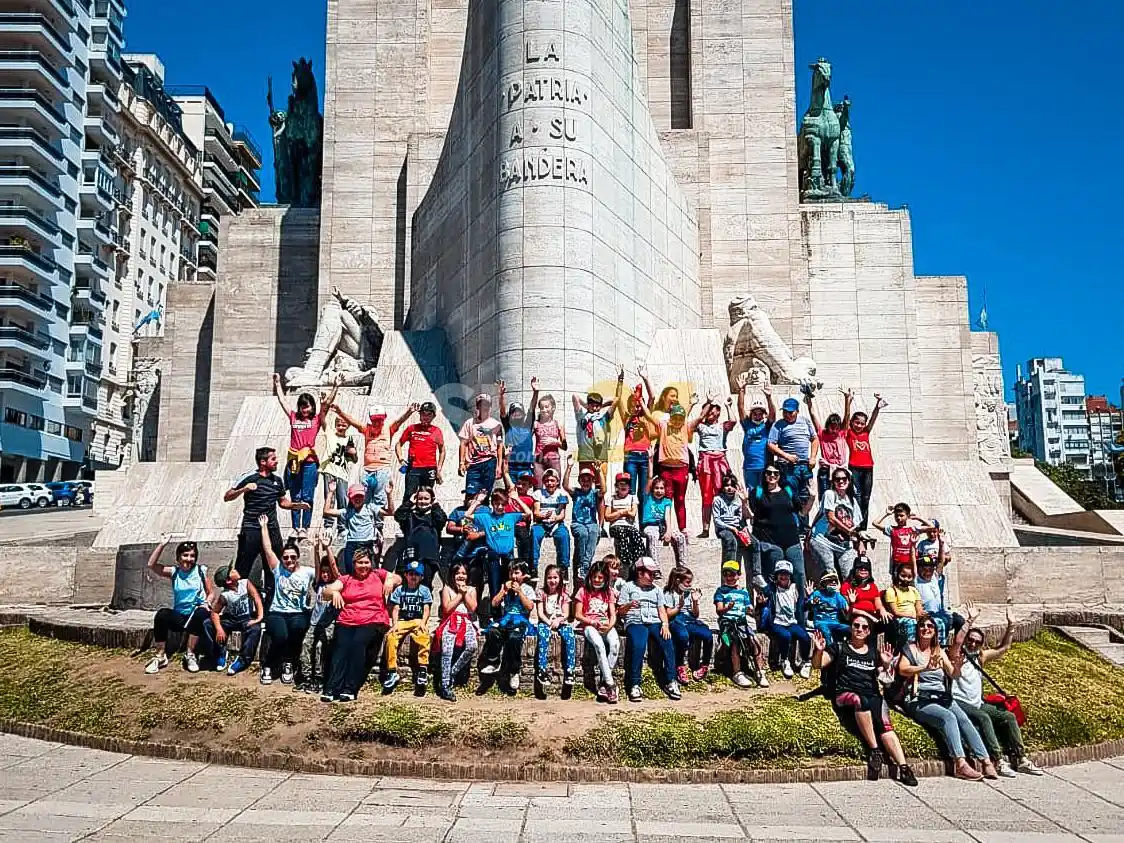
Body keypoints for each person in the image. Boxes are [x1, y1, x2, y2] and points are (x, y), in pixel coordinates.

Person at [811, 620, 918, 785]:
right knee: (859, 700)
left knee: (885, 724)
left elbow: (885, 680)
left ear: (869, 632)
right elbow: (818, 664)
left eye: (864, 627)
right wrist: (818, 651)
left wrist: (887, 664)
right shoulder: (839, 648)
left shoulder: (874, 653)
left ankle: (904, 768)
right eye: (856, 626)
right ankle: (875, 751)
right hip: (845, 694)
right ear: (851, 628)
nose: (860, 629)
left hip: (872, 694)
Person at [898, 617, 993, 780]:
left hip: (942, 697)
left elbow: (953, 674)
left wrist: (957, 667)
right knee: (948, 717)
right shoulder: (911, 649)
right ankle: (960, 764)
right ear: (918, 629)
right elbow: (902, 669)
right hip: (919, 699)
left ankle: (986, 761)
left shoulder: (939, 651)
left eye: (930, 626)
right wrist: (924, 667)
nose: (926, 628)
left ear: (935, 631)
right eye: (922, 626)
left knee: (963, 718)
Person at [954, 606, 1043, 777]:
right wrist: (969, 621)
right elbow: (957, 642)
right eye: (970, 640)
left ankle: (1020, 758)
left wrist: (1011, 626)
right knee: (984, 718)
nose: (972, 643)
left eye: (977, 642)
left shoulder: (980, 657)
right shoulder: (957, 654)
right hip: (960, 702)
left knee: (1008, 716)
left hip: (977, 702)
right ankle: (998, 760)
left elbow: (1003, 648)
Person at [223, 446, 309, 606]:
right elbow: (227, 497)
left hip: (272, 530)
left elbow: (283, 502)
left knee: (274, 567)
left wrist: (297, 505)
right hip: (251, 529)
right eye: (273, 459)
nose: (276, 462)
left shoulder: (277, 481)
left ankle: (272, 605)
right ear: (263, 462)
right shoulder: (249, 477)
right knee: (243, 568)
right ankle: (237, 605)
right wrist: (243, 489)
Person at [271, 373, 339, 537]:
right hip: (294, 461)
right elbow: (282, 401)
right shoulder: (294, 416)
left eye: (307, 406)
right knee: (295, 495)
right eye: (302, 407)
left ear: (312, 407)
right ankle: (295, 527)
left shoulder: (316, 420)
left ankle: (305, 527)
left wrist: (336, 386)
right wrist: (278, 384)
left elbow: (327, 405)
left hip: (309, 462)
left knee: (307, 495)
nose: (304, 410)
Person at [320, 546, 390, 702]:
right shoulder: (346, 579)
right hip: (347, 620)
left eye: (366, 562)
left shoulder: (378, 575)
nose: (363, 566)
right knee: (340, 647)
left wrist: (390, 581)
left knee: (357, 644)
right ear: (354, 563)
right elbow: (326, 592)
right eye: (360, 562)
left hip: (373, 619)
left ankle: (349, 688)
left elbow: (397, 578)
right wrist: (335, 592)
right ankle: (331, 688)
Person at [143, 536, 212, 674]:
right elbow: (151, 565)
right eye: (185, 555)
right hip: (180, 614)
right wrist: (162, 544)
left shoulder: (200, 571)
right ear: (179, 557)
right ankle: (160, 655)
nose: (188, 559)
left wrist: (207, 602)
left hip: (196, 613)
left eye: (192, 556)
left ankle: (190, 654)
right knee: (162, 614)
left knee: (201, 613)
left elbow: (211, 593)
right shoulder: (174, 572)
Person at [259, 517, 315, 686]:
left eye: (292, 557)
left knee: (297, 630)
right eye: (286, 558)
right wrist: (264, 527)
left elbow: (323, 574)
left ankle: (288, 663)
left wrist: (320, 548)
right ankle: (267, 665)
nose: (289, 560)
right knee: (281, 635)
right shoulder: (278, 570)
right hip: (278, 612)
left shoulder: (307, 572)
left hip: (298, 612)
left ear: (298, 557)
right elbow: (268, 549)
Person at [617, 556, 681, 702]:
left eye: (654, 574)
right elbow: (620, 611)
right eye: (649, 573)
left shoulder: (657, 590)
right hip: (636, 621)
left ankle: (671, 680)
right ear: (640, 573)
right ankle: (634, 683)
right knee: (638, 645)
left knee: (667, 642)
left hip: (654, 621)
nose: (652, 576)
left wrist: (665, 625)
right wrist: (629, 605)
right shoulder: (628, 587)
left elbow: (661, 610)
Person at [466, 483, 534, 609]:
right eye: (497, 504)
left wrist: (516, 498)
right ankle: (495, 614)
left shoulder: (510, 517)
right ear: (492, 504)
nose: (500, 507)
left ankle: (510, 609)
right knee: (495, 584)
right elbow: (467, 515)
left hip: (508, 556)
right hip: (494, 555)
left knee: (510, 583)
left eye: (503, 504)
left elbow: (529, 513)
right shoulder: (486, 517)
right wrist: (478, 501)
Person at [335, 401, 415, 500]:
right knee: (366, 499)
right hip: (367, 470)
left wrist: (409, 412)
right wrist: (339, 412)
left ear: (384, 418)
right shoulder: (366, 429)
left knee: (380, 499)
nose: (377, 423)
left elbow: (399, 421)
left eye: (379, 420)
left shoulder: (389, 428)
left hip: (382, 469)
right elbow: (352, 421)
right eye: (374, 420)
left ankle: (378, 515)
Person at [479, 560, 537, 693]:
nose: (513, 576)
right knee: (493, 631)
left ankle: (514, 671)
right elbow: (494, 604)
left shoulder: (528, 589)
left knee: (514, 638)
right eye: (511, 573)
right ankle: (493, 662)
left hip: (520, 620)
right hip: (506, 619)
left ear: (524, 575)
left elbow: (529, 607)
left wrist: (520, 592)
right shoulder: (504, 587)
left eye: (517, 573)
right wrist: (503, 591)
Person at [199, 563, 264, 677]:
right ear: (228, 581)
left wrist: (259, 617)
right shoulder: (225, 595)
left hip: (246, 618)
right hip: (232, 619)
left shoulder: (245, 583)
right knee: (208, 624)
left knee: (255, 629)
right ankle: (220, 653)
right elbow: (215, 612)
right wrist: (219, 629)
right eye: (231, 571)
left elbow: (256, 598)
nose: (235, 570)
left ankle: (242, 660)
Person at [641, 400, 694, 533]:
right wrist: (641, 403)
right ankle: (666, 527)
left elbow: (693, 417)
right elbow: (648, 416)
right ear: (670, 417)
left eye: (680, 418)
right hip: (666, 467)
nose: (677, 421)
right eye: (674, 418)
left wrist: (692, 404)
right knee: (667, 498)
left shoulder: (684, 427)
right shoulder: (663, 425)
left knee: (680, 499)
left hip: (681, 467)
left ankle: (683, 528)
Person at [382, 558, 434, 695]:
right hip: (403, 620)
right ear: (405, 575)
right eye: (410, 574)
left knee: (423, 637)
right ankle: (392, 670)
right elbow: (396, 608)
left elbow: (427, 608)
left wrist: (423, 622)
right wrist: (394, 624)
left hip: (417, 620)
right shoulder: (400, 590)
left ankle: (423, 668)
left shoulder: (424, 590)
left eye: (416, 574)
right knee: (391, 637)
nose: (413, 577)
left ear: (421, 577)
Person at [750, 466, 806, 592]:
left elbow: (801, 511)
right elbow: (751, 515)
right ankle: (772, 606)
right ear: (764, 475)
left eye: (776, 473)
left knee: (800, 574)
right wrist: (743, 502)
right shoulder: (758, 492)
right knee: (774, 576)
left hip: (792, 539)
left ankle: (803, 607)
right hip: (770, 541)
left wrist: (812, 497)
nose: (772, 475)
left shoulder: (787, 490)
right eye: (769, 473)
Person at [298, 537, 339, 694]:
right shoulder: (319, 584)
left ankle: (319, 678)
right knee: (306, 645)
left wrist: (327, 548)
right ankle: (306, 677)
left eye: (328, 572)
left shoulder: (336, 585)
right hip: (314, 623)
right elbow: (317, 567)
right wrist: (316, 550)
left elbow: (335, 570)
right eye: (323, 572)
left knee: (320, 648)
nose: (325, 574)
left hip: (329, 624)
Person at [714, 560, 765, 688]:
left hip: (742, 622)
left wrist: (757, 605)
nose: (729, 577)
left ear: (738, 575)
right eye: (726, 574)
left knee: (755, 641)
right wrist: (727, 608)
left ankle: (759, 671)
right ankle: (737, 672)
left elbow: (750, 610)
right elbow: (719, 611)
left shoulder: (743, 592)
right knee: (735, 641)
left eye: (732, 574)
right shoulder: (720, 591)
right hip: (728, 622)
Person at [574, 560, 620, 703]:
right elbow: (578, 614)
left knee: (615, 646)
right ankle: (611, 685)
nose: (596, 580)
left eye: (600, 578)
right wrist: (592, 622)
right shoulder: (583, 591)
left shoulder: (609, 592)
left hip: (606, 624)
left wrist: (610, 625)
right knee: (599, 646)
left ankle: (604, 683)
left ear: (605, 578)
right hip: (589, 625)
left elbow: (613, 614)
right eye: (594, 577)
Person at [434, 561, 479, 702]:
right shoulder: (447, 589)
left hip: (466, 622)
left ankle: (451, 673)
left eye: (464, 573)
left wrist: (465, 593)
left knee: (472, 646)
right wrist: (459, 594)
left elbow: (473, 607)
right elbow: (447, 609)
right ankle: (446, 685)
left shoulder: (471, 589)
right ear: (452, 575)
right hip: (451, 621)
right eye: (458, 573)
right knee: (447, 650)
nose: (461, 576)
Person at [573, 367, 625, 489]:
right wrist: (587, 408)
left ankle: (600, 508)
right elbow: (575, 397)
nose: (595, 408)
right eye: (593, 405)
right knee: (585, 487)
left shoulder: (603, 417)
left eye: (597, 406)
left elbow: (616, 400)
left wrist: (601, 406)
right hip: (585, 456)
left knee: (600, 487)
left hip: (601, 456)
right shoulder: (582, 417)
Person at [325, 481, 391, 575]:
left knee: (370, 573)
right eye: (355, 497)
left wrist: (389, 495)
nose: (357, 499)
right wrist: (331, 492)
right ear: (350, 498)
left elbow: (390, 512)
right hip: (352, 544)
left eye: (360, 496)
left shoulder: (370, 508)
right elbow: (327, 511)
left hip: (367, 543)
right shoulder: (347, 511)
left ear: (364, 497)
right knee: (350, 573)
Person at [694, 394, 737, 538]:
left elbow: (733, 420)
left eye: (714, 411)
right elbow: (695, 422)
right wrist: (708, 402)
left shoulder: (721, 426)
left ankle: (723, 525)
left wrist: (728, 406)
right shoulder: (701, 426)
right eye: (709, 411)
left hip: (720, 460)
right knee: (706, 496)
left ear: (718, 413)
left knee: (722, 492)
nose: (711, 414)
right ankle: (705, 529)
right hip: (706, 460)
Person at [760, 559, 811, 679]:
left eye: (786, 574)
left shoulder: (795, 588)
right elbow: (762, 601)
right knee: (785, 635)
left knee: (805, 637)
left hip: (792, 621)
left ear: (790, 576)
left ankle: (805, 661)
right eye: (781, 573)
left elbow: (802, 607)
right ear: (776, 575)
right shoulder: (772, 589)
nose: (783, 576)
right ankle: (784, 660)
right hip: (777, 621)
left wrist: (810, 599)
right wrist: (761, 603)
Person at [843, 391, 886, 530]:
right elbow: (846, 418)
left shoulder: (865, 432)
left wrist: (877, 406)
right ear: (852, 423)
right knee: (857, 496)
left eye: (862, 423)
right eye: (857, 423)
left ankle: (863, 528)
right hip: (854, 467)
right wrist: (847, 401)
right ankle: (855, 524)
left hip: (868, 467)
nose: (859, 425)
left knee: (866, 498)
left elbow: (873, 419)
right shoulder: (848, 433)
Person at [810, 469, 862, 582]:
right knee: (830, 575)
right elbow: (831, 518)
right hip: (823, 541)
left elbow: (856, 526)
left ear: (849, 481)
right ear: (833, 482)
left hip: (844, 545)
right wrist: (849, 531)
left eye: (844, 479)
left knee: (851, 578)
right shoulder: (830, 494)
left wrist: (860, 543)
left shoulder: (852, 501)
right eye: (837, 479)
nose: (841, 481)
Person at [665, 565, 714, 685]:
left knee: (708, 635)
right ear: (678, 581)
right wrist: (679, 607)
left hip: (689, 620)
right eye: (687, 582)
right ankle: (680, 665)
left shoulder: (688, 594)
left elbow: (695, 615)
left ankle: (704, 665)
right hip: (676, 620)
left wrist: (695, 601)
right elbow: (667, 614)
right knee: (683, 636)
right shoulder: (669, 593)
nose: (689, 585)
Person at [766, 396, 818, 503]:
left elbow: (815, 439)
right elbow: (771, 445)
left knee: (806, 496)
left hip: (805, 466)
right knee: (790, 496)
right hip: (788, 467)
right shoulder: (778, 425)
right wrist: (786, 456)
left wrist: (813, 457)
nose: (787, 415)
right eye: (785, 412)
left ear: (797, 411)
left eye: (790, 412)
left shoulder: (805, 422)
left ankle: (803, 518)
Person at [535, 564, 576, 695]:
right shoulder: (541, 593)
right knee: (543, 637)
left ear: (560, 579)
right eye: (549, 578)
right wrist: (549, 623)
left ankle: (570, 670)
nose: (552, 581)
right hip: (546, 622)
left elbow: (566, 614)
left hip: (560, 622)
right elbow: (540, 613)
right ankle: (542, 670)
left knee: (570, 636)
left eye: (555, 578)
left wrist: (558, 621)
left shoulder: (564, 595)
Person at [393, 485, 447, 585]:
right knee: (407, 585)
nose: (423, 501)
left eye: (426, 498)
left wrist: (435, 505)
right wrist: (409, 503)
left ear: (432, 500)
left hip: (428, 558)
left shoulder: (434, 516)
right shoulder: (409, 515)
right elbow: (398, 516)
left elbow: (442, 520)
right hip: (411, 556)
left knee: (425, 586)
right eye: (420, 498)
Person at [395, 401, 446, 503]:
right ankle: (405, 518)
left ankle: (425, 518)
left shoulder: (437, 431)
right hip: (413, 468)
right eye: (423, 414)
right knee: (409, 494)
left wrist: (439, 469)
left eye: (429, 415)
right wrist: (400, 458)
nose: (425, 417)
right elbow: (398, 444)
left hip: (430, 468)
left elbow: (442, 450)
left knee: (427, 495)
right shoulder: (411, 429)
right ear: (420, 415)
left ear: (433, 416)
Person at [319, 411, 360, 537]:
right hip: (330, 470)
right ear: (335, 425)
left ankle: (342, 526)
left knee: (343, 499)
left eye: (344, 425)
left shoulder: (349, 439)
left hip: (342, 473)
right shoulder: (330, 433)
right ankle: (328, 525)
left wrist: (353, 453)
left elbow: (355, 459)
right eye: (339, 425)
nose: (341, 427)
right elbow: (322, 418)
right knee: (329, 497)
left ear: (348, 426)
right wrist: (324, 405)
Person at [806, 389, 851, 501]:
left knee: (841, 498)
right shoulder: (822, 434)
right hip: (826, 469)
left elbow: (847, 418)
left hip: (840, 470)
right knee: (824, 498)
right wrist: (809, 402)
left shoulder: (841, 434)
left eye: (836, 428)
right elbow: (813, 415)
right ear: (828, 426)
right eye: (832, 427)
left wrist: (847, 399)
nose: (834, 430)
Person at [459, 393, 505, 497]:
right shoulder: (469, 423)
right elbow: (463, 443)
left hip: (490, 462)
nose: (484, 407)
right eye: (481, 404)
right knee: (470, 494)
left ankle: (483, 511)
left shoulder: (496, 424)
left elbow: (499, 446)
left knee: (485, 494)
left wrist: (499, 467)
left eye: (487, 404)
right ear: (477, 406)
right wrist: (461, 463)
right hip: (473, 463)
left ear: (490, 407)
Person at [736, 373, 775, 491]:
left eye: (760, 414)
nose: (757, 416)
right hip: (749, 468)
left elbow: (773, 414)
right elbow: (740, 407)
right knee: (752, 495)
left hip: (764, 468)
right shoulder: (747, 425)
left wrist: (769, 397)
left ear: (764, 415)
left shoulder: (767, 426)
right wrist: (741, 390)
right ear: (751, 414)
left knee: (762, 494)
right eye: (755, 413)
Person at [565, 456, 602, 582]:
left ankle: (585, 566)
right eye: (583, 480)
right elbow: (565, 485)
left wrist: (599, 471)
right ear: (579, 481)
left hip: (591, 522)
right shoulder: (576, 492)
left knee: (593, 532)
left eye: (588, 480)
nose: (586, 482)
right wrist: (569, 467)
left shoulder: (594, 493)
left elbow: (604, 489)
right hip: (578, 523)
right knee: (583, 534)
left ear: (592, 481)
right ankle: (583, 564)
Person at [711, 473, 755, 578]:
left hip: (737, 526)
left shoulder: (738, 499)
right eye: (727, 485)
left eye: (732, 485)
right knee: (731, 540)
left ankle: (756, 573)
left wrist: (745, 502)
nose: (729, 488)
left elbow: (744, 517)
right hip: (724, 528)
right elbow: (717, 520)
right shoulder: (717, 500)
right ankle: (730, 571)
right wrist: (731, 528)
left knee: (755, 543)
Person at [621, 371, 655, 505]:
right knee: (630, 492)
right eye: (634, 405)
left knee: (644, 492)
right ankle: (630, 522)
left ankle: (643, 524)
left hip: (645, 457)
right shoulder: (627, 418)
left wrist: (645, 378)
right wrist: (621, 380)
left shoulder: (646, 417)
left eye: (639, 405)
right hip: (631, 457)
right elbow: (618, 400)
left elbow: (652, 397)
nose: (637, 407)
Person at [532, 468, 571, 580]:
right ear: (543, 481)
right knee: (535, 534)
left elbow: (562, 514)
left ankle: (563, 567)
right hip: (541, 523)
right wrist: (544, 516)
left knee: (564, 536)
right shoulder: (538, 493)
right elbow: (536, 512)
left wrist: (555, 518)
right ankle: (533, 566)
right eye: (547, 480)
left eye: (552, 480)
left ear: (557, 482)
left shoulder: (561, 494)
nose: (550, 483)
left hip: (556, 522)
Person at [640, 475, 688, 567]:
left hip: (662, 526)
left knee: (681, 537)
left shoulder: (667, 501)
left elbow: (667, 517)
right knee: (653, 536)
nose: (659, 491)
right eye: (656, 488)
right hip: (650, 526)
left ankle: (683, 565)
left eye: (662, 488)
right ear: (652, 489)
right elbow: (649, 478)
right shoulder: (648, 497)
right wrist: (650, 462)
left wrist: (668, 531)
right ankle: (655, 566)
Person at [873, 503, 933, 576]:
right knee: (897, 585)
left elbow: (931, 526)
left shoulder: (913, 529)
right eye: (896, 516)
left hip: (911, 563)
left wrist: (917, 518)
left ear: (907, 516)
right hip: (897, 564)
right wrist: (886, 514)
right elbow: (875, 523)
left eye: (901, 515)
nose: (898, 518)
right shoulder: (892, 529)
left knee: (911, 585)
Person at [603, 472, 645, 573]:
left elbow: (633, 513)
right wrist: (623, 512)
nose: (623, 486)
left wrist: (617, 514)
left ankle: (639, 560)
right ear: (616, 486)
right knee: (622, 534)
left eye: (626, 484)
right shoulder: (611, 498)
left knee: (636, 535)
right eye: (620, 484)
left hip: (629, 526)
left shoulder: (632, 498)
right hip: (616, 526)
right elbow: (607, 517)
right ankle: (626, 562)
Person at [498, 378, 539, 480]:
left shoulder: (528, 426)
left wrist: (536, 392)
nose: (516, 414)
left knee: (523, 493)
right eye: (513, 412)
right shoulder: (508, 428)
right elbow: (502, 412)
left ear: (523, 414)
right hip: (511, 467)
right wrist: (501, 395)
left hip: (526, 467)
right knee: (511, 494)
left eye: (519, 411)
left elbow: (532, 408)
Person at [916, 553, 956, 644]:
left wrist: (941, 544)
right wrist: (913, 547)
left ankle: (956, 649)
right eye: (924, 570)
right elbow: (914, 566)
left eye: (930, 570)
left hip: (940, 612)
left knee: (959, 620)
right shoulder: (916, 580)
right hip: (928, 613)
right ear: (919, 569)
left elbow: (941, 563)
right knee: (942, 622)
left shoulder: (934, 577)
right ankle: (939, 646)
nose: (927, 573)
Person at [882, 564, 925, 648]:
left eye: (909, 577)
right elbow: (895, 612)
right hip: (899, 619)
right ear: (897, 574)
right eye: (903, 576)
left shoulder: (914, 590)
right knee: (911, 623)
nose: (906, 579)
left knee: (936, 622)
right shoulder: (891, 591)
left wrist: (920, 615)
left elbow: (919, 609)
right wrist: (912, 615)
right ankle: (910, 649)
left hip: (914, 617)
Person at [532, 391, 567, 486]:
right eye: (542, 407)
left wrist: (555, 441)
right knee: (538, 486)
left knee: (555, 486)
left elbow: (565, 446)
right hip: (539, 459)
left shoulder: (558, 424)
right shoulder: (536, 424)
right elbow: (527, 438)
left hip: (554, 458)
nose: (544, 410)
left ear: (553, 408)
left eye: (547, 407)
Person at [841, 556, 887, 623]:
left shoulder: (873, 586)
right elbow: (848, 609)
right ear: (855, 569)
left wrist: (882, 610)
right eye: (860, 567)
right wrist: (866, 614)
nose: (863, 569)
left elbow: (878, 604)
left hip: (873, 615)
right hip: (857, 616)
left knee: (890, 621)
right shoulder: (847, 586)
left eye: (866, 568)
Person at [809, 571, 850, 645]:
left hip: (835, 623)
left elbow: (847, 609)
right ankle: (830, 651)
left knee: (850, 629)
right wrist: (811, 600)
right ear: (824, 582)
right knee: (826, 632)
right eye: (831, 580)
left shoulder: (838, 596)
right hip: (821, 623)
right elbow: (808, 605)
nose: (834, 582)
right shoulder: (817, 593)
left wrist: (852, 603)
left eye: (835, 580)